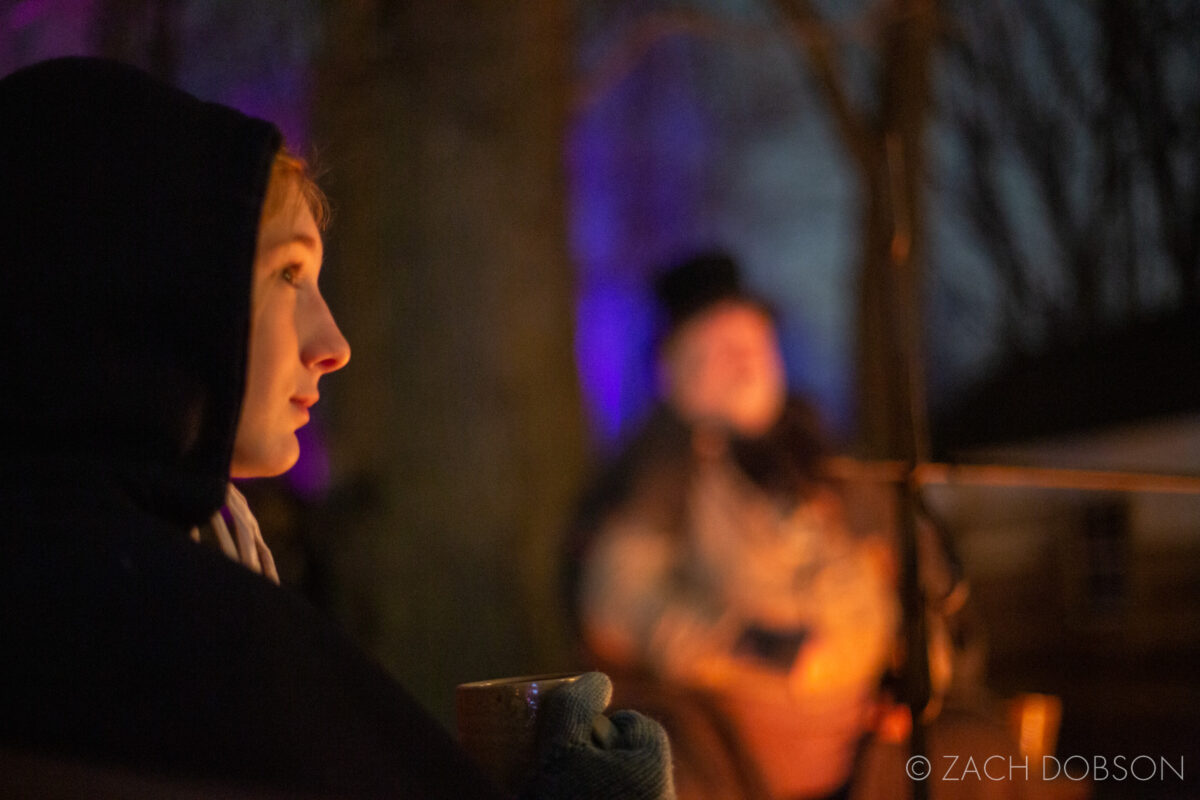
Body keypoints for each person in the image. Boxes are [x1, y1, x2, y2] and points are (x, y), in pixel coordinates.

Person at [0, 57, 673, 800]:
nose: (334, 344)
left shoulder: (187, 561)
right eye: (288, 275)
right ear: (142, 287)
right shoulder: (133, 644)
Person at [568, 252, 996, 800]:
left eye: (752, 345)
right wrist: (749, 644)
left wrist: (917, 673)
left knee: (980, 760)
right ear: (671, 373)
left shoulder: (838, 472)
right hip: (725, 750)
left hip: (871, 742)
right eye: (719, 350)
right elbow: (618, 601)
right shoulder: (659, 480)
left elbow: (924, 589)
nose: (744, 363)